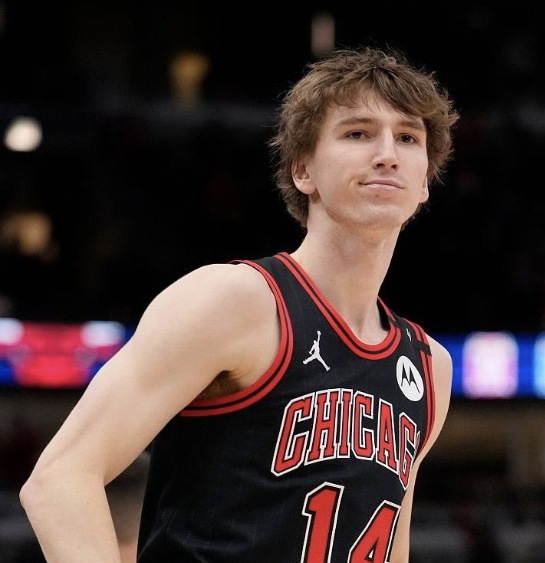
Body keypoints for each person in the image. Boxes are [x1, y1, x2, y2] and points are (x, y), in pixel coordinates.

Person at [19, 45, 459, 563]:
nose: (387, 153)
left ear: (424, 182)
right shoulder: (235, 301)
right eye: (357, 133)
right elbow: (60, 479)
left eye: (407, 137)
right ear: (303, 170)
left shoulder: (429, 366)